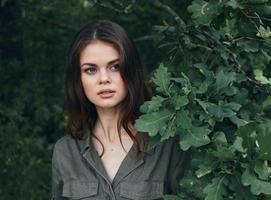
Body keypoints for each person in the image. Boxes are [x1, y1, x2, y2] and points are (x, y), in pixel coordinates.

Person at [52, 20, 189, 200]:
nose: (104, 79)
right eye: (91, 70)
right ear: (78, 79)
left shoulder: (168, 145)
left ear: (131, 70)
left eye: (115, 66)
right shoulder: (65, 151)